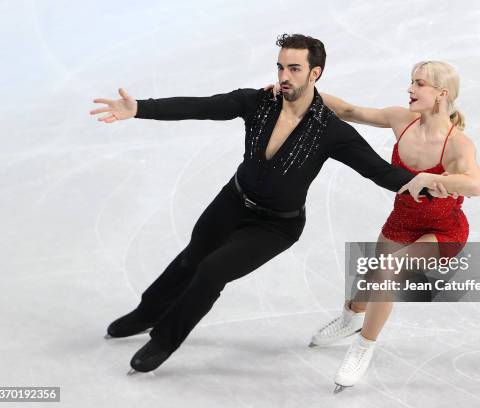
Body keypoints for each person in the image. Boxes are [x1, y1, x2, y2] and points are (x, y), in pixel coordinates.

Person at [89, 34, 447, 376]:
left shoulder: (330, 131)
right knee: (192, 257)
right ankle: (147, 311)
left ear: (315, 73)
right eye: (280, 67)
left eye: (294, 68)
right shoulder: (258, 102)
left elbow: (378, 170)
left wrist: (424, 185)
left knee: (213, 271)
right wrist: (139, 109)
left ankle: (164, 341)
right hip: (233, 201)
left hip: (276, 225)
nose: (284, 76)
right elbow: (203, 106)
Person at [267, 60, 480, 392]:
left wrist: (438, 178)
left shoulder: (457, 143)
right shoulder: (402, 120)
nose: (411, 89)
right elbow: (350, 110)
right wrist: (301, 91)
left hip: (444, 230)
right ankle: (350, 317)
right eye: (411, 82)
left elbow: (475, 184)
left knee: (388, 272)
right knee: (366, 288)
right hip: (401, 222)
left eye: (420, 84)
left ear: (441, 94)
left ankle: (363, 347)